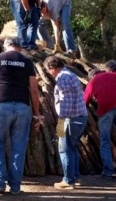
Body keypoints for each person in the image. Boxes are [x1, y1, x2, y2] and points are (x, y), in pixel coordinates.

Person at [0, 37, 42, 194]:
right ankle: (15, 187)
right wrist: (36, 114)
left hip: (1, 106)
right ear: (20, 48)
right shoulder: (27, 62)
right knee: (18, 148)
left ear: (5, 46)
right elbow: (34, 90)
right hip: (22, 107)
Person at [43, 56, 87, 189]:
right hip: (78, 117)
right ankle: (75, 176)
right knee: (71, 147)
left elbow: (65, 101)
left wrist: (60, 121)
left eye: (48, 70)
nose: (49, 73)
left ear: (53, 67)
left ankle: (68, 180)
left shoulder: (63, 77)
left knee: (64, 149)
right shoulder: (70, 75)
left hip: (69, 119)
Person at [84, 68, 116, 179]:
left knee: (105, 141)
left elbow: (85, 101)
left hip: (105, 110)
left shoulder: (92, 82)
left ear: (92, 76)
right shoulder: (115, 76)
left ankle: (108, 172)